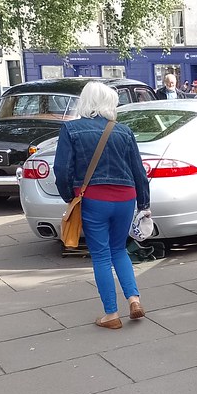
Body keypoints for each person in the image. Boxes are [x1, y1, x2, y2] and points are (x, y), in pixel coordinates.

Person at [54, 82, 150, 330]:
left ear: (85, 102)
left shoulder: (71, 129)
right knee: (120, 250)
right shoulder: (123, 131)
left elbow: (62, 169)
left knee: (101, 255)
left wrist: (69, 197)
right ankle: (134, 299)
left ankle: (111, 314)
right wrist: (144, 203)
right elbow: (138, 170)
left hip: (94, 198)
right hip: (126, 197)